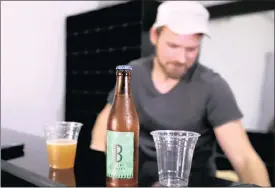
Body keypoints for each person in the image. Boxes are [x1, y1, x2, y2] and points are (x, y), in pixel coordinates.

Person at [90, 1, 270, 186]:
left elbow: (244, 158)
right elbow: (105, 126)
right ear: (154, 36)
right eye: (173, 46)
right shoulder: (134, 73)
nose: (181, 59)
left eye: (191, 49)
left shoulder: (212, 86)